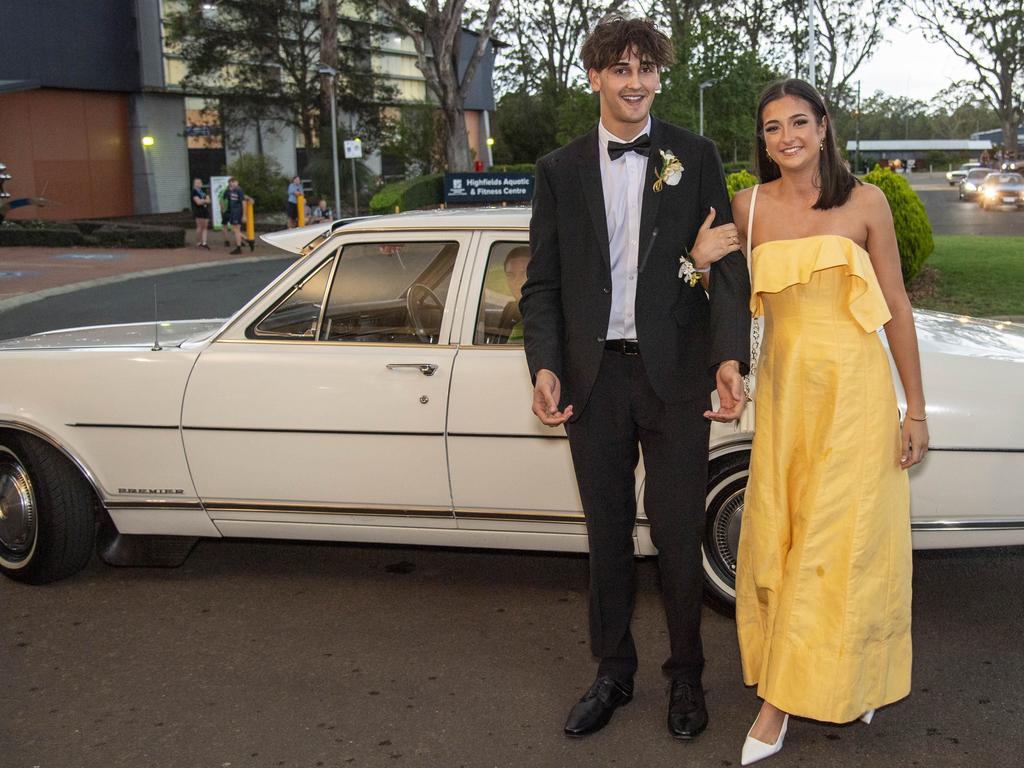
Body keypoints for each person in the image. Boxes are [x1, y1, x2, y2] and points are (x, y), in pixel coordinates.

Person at [520, 14, 751, 741]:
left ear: (659, 76)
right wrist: (547, 364)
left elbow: (727, 270)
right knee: (609, 535)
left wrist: (728, 358)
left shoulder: (694, 153)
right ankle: (612, 672)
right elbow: (543, 286)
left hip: (676, 378)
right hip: (593, 381)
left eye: (646, 68)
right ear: (594, 77)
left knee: (681, 535)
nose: (635, 82)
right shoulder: (558, 171)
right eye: (620, 69)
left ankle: (686, 677)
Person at [730, 78, 929, 765]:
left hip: (857, 394)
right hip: (787, 397)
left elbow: (896, 306)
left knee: (842, 544)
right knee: (786, 539)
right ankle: (837, 675)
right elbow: (715, 300)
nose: (785, 136)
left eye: (798, 123)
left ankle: (779, 702)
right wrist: (698, 263)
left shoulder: (866, 202)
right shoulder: (747, 207)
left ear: (822, 127)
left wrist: (917, 409)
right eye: (772, 127)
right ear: (763, 140)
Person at [500, 246, 530, 342]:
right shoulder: (510, 309)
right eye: (511, 275)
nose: (517, 282)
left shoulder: (544, 315)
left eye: (524, 274)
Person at [223, 177, 252, 254]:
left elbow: (243, 202)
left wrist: (244, 215)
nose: (232, 183)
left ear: (237, 182)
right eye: (231, 182)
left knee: (236, 230)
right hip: (233, 212)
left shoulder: (239, 190)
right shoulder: (231, 191)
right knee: (235, 230)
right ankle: (247, 241)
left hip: (237, 212)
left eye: (233, 182)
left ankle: (239, 247)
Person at [190, 178, 210, 249]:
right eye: (197, 182)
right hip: (198, 211)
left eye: (199, 182)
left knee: (205, 227)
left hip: (205, 210)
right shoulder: (194, 192)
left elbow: (208, 201)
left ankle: (204, 242)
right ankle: (198, 242)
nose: (198, 184)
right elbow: (198, 202)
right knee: (200, 227)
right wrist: (204, 200)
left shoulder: (203, 191)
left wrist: (203, 200)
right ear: (194, 184)